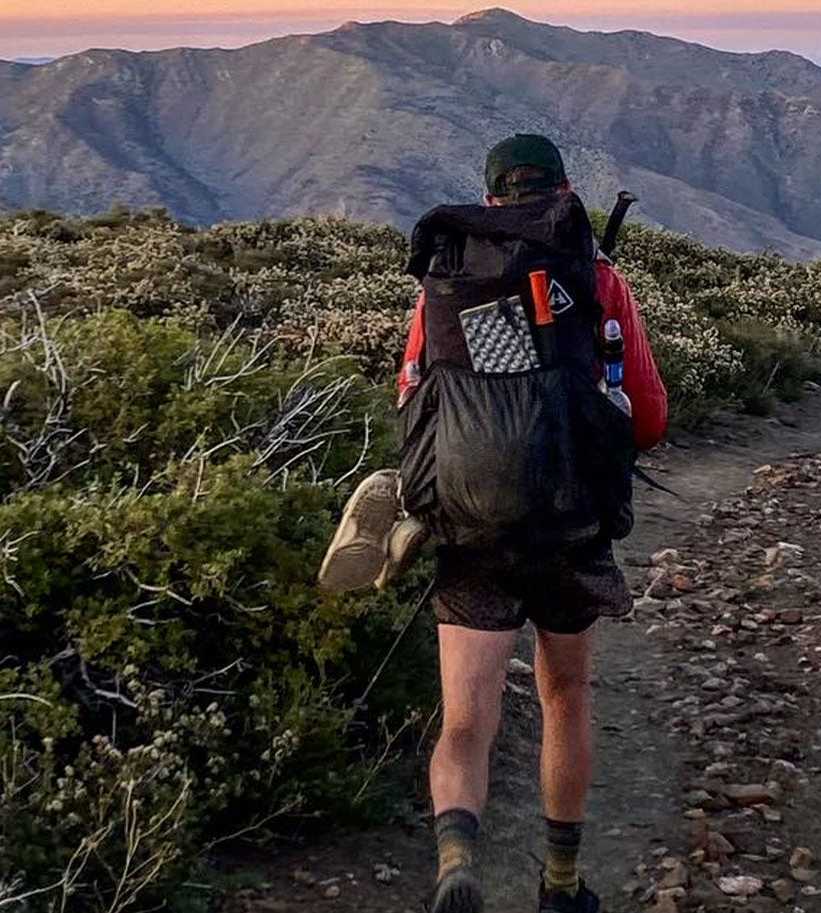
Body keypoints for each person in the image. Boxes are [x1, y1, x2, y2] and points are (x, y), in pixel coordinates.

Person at [321, 134, 667, 913]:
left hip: (471, 528)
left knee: (468, 717)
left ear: (487, 200)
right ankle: (563, 884)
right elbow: (648, 417)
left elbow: (415, 404)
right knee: (565, 696)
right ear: (564, 190)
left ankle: (455, 860)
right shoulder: (599, 281)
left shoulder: (443, 285)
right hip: (570, 530)